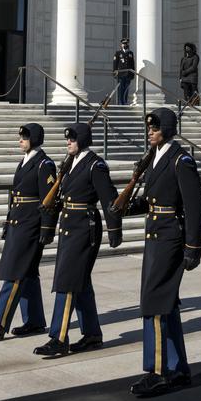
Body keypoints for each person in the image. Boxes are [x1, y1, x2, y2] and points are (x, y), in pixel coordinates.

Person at [125, 108, 201, 397]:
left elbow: (196, 206)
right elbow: (154, 199)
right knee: (165, 304)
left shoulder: (180, 159)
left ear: (167, 129)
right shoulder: (156, 157)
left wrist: (193, 248)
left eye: (155, 127)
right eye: (148, 127)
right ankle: (178, 369)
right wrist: (131, 206)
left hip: (170, 238)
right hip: (155, 236)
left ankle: (159, 372)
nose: (149, 131)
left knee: (155, 303)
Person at [34, 122, 124, 358]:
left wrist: (115, 230)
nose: (68, 143)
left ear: (82, 141)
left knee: (67, 281)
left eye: (72, 140)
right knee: (80, 282)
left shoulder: (96, 165)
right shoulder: (70, 164)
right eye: (67, 140)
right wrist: (48, 226)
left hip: (85, 227)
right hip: (69, 226)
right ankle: (92, 335)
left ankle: (58, 337)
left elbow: (109, 200)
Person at [0, 123, 57, 340]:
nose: (20, 140)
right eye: (20, 136)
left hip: (30, 225)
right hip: (18, 222)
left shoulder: (44, 164)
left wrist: (47, 229)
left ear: (35, 139)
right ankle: (35, 321)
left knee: (15, 272)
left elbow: (49, 201)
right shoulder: (26, 161)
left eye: (25, 136)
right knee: (27, 273)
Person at [112, 39, 135, 105]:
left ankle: (125, 101)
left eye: (126, 44)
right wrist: (114, 71)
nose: (125, 45)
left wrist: (133, 73)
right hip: (121, 74)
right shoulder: (118, 53)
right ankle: (120, 102)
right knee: (121, 88)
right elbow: (115, 63)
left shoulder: (130, 53)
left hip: (128, 74)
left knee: (126, 88)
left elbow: (132, 64)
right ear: (121, 45)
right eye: (124, 44)